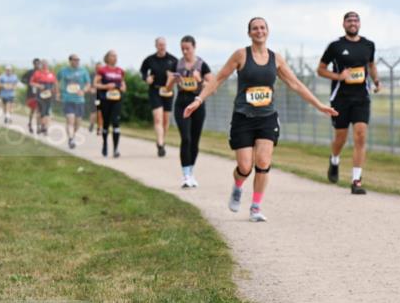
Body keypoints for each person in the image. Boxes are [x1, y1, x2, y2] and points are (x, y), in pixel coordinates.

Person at [183, 17, 337, 222]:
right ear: (249, 33)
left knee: (263, 162)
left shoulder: (277, 59)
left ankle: (255, 207)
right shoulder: (240, 55)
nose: (259, 31)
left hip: (267, 118)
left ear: (268, 31)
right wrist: (198, 99)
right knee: (245, 167)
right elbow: (219, 79)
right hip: (243, 118)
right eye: (255, 28)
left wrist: (319, 105)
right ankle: (238, 187)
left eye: (262, 27)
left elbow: (296, 85)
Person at [317, 11, 380, 194]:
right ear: (343, 24)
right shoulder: (336, 46)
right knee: (341, 138)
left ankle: (356, 181)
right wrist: (338, 76)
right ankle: (334, 160)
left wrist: (377, 81)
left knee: (360, 135)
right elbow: (320, 70)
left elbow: (371, 65)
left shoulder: (369, 45)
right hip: (340, 98)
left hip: (361, 98)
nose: (353, 23)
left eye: (356, 20)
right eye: (349, 20)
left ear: (359, 24)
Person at [166, 35, 213, 188]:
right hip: (181, 104)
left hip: (197, 104)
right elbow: (167, 88)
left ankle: (191, 172)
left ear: (194, 47)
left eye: (188, 48)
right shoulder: (176, 64)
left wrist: (199, 80)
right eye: (182, 49)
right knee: (185, 138)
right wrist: (173, 80)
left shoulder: (202, 65)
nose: (185, 52)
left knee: (194, 140)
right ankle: (185, 175)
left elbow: (213, 86)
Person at [140, 37, 179, 157]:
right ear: (156, 45)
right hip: (155, 91)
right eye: (160, 44)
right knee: (158, 118)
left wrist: (172, 77)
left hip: (168, 91)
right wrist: (147, 78)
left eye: (164, 44)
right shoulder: (150, 59)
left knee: (166, 120)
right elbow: (143, 71)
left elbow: (179, 75)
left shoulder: (173, 60)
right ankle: (161, 145)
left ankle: (161, 140)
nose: (162, 47)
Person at [94, 50, 126, 158]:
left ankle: (116, 149)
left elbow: (123, 85)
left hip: (117, 99)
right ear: (107, 58)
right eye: (112, 56)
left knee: (116, 122)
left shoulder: (120, 71)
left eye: (116, 56)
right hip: (105, 99)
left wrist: (122, 88)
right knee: (106, 123)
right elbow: (96, 84)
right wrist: (106, 86)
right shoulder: (102, 70)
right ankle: (105, 144)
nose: (115, 58)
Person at [57, 54, 91, 149]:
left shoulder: (83, 71)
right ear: (70, 61)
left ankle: (73, 135)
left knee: (77, 123)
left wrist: (83, 90)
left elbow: (88, 84)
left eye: (78, 60)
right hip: (68, 99)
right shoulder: (63, 71)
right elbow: (56, 81)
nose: (77, 61)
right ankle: (71, 139)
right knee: (70, 120)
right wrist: (58, 93)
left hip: (79, 100)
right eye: (75, 60)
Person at [30, 61, 58, 136]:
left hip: (49, 94)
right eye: (42, 64)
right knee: (40, 111)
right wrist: (38, 86)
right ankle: (40, 126)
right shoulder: (37, 73)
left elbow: (55, 84)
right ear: (41, 66)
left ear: (48, 65)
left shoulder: (51, 74)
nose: (44, 65)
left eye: (46, 64)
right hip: (40, 94)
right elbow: (31, 82)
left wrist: (56, 93)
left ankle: (45, 128)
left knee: (47, 112)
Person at [22, 58, 41, 133]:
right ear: (33, 64)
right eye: (36, 63)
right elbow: (22, 79)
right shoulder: (30, 72)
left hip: (40, 94)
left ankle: (38, 127)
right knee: (33, 110)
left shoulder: (42, 72)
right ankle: (30, 123)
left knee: (39, 110)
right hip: (31, 94)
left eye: (39, 63)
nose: (38, 65)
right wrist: (28, 83)